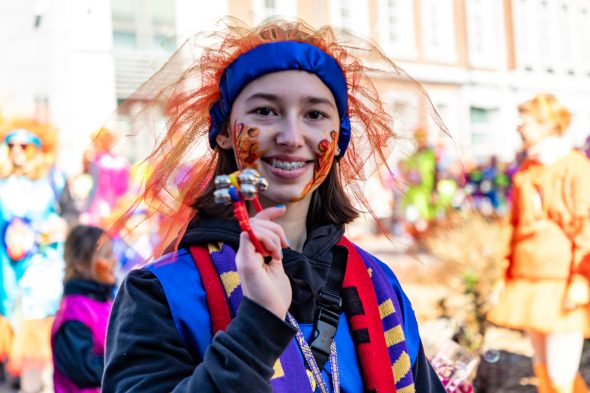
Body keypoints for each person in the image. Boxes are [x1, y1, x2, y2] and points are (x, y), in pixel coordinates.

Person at [103, 19, 448, 392]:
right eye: (265, 111)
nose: (290, 137)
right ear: (222, 131)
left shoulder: (377, 282)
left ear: (339, 140)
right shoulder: (162, 291)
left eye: (315, 114)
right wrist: (257, 326)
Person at [487, 93, 590, 393]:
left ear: (545, 125)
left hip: (561, 284)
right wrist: (503, 278)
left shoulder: (576, 168)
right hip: (528, 282)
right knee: (543, 369)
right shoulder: (526, 172)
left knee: (560, 375)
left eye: (524, 122)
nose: (518, 128)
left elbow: (587, 227)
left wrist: (581, 281)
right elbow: (514, 228)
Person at [0, 119, 78, 392]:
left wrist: (61, 226)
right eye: (11, 145)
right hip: (8, 272)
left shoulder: (53, 179)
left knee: (39, 333)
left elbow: (71, 214)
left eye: (24, 145)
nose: (16, 151)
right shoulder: (2, 181)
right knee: (12, 333)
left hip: (44, 270)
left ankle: (41, 385)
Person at [51, 225, 116, 392]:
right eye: (106, 256)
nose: (114, 261)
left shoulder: (104, 301)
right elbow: (83, 369)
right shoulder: (74, 312)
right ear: (82, 264)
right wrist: (127, 362)